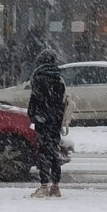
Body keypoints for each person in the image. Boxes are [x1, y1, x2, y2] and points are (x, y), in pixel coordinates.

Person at [27, 48, 66, 198]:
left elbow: (34, 101)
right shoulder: (59, 79)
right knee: (54, 151)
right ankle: (55, 186)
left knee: (43, 152)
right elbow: (61, 101)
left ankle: (43, 186)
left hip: (42, 119)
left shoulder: (38, 78)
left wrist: (33, 116)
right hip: (55, 120)